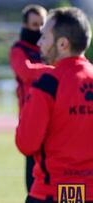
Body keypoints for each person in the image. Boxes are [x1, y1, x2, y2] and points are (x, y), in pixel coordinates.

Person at [16, 7, 93, 203]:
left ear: (62, 44)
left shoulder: (48, 84)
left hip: (53, 191)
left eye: (44, 36)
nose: (39, 42)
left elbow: (26, 143)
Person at [9, 4, 54, 192]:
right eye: (35, 24)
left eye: (42, 25)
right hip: (31, 115)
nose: (38, 29)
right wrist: (55, 71)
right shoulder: (18, 49)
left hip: (55, 115)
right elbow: (26, 72)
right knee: (34, 171)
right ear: (25, 25)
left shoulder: (51, 48)